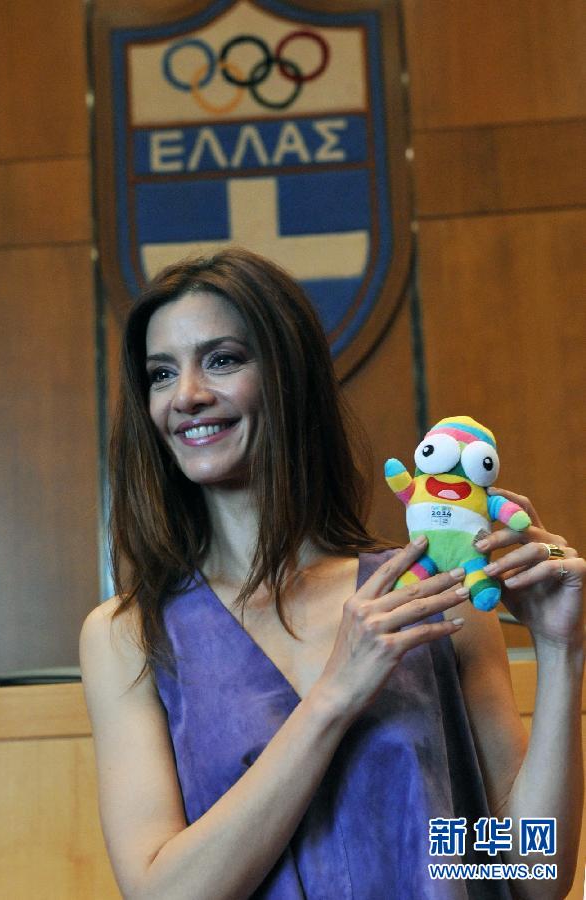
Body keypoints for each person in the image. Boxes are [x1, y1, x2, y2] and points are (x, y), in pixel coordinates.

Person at [80, 248, 584, 900]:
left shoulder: (434, 595)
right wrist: (333, 697)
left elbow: (530, 876)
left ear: (290, 376)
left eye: (223, 360)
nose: (187, 395)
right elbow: (162, 893)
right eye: (161, 373)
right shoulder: (126, 634)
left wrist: (560, 650)